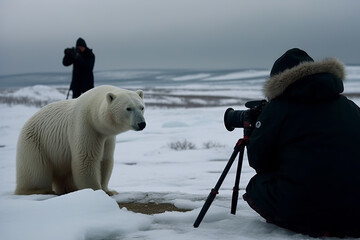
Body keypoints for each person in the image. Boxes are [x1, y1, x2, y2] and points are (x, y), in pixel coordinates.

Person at [243, 48, 360, 237]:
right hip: (356, 214)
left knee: (257, 186)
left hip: (308, 213)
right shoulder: (349, 106)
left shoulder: (278, 109)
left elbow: (259, 161)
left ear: (278, 81)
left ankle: (306, 222)